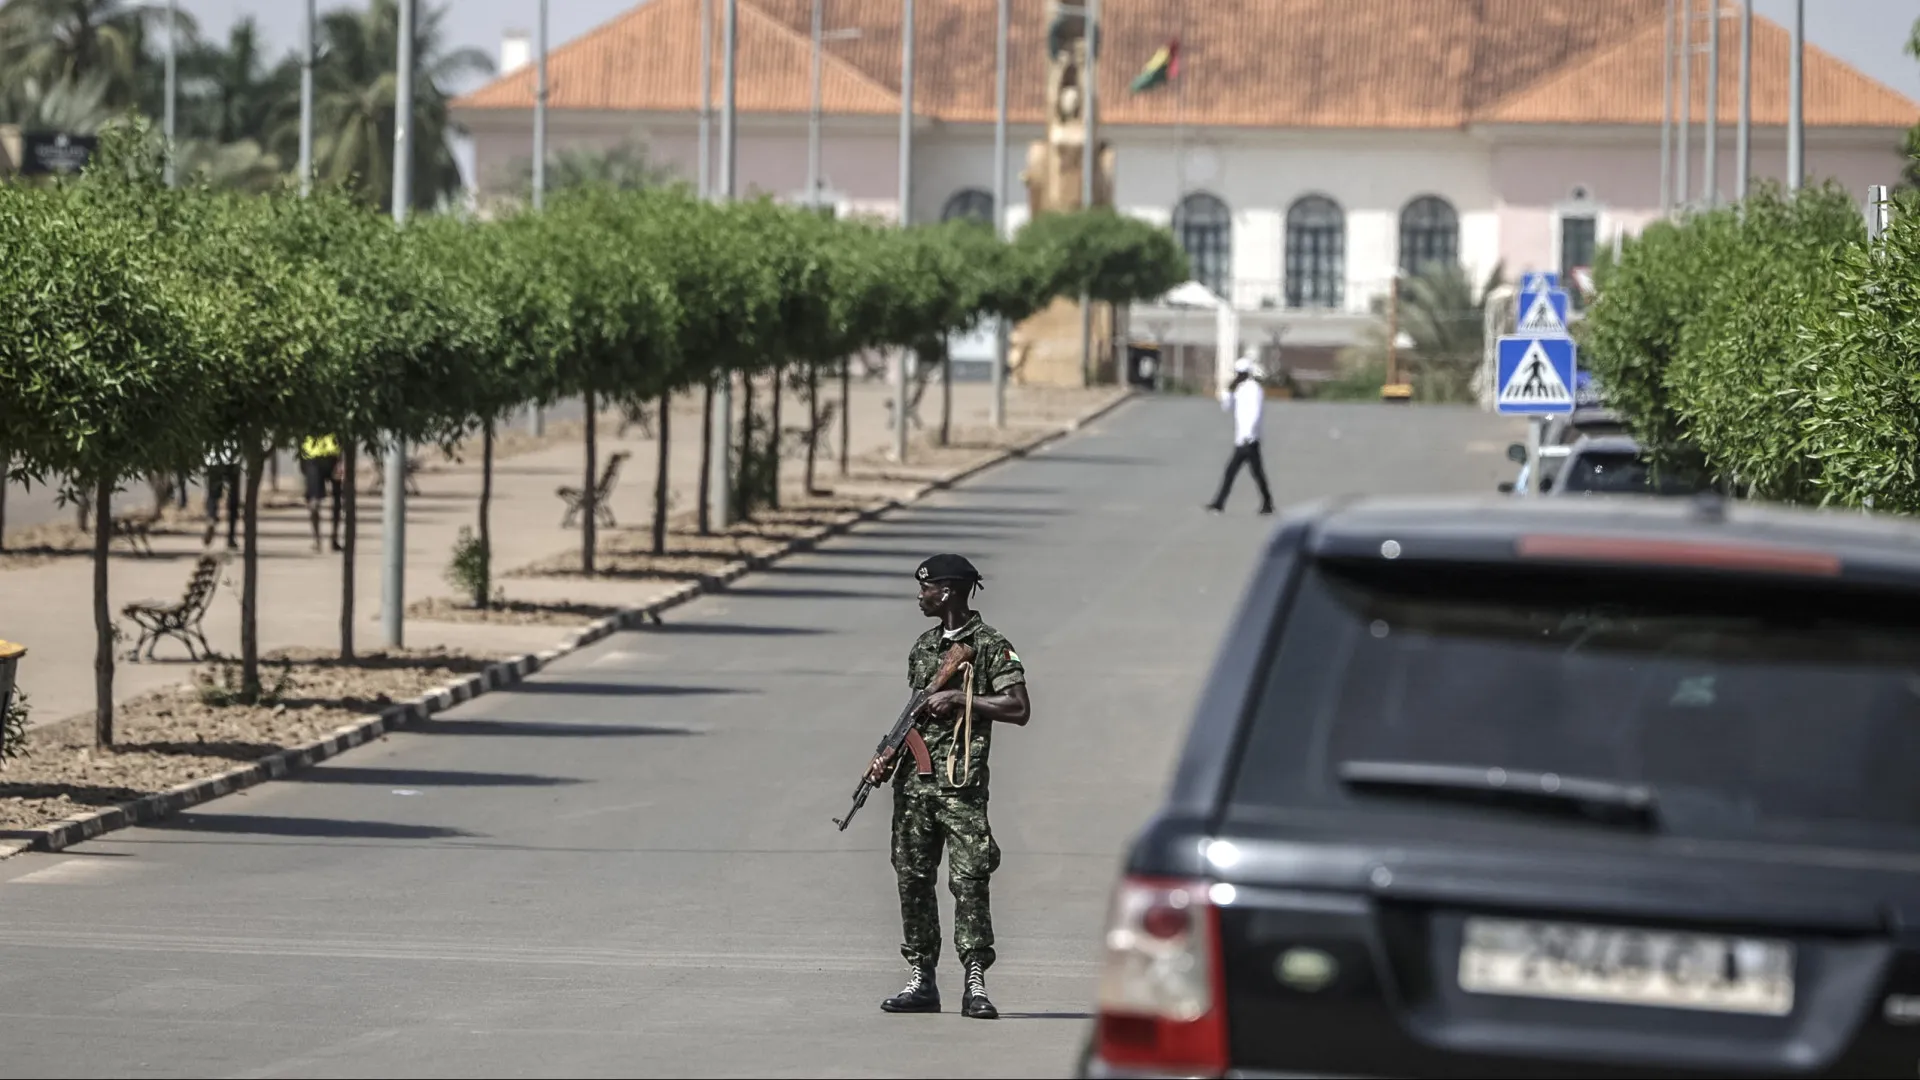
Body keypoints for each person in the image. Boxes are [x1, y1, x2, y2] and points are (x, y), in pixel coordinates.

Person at [867, 553, 1032, 1020]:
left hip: (961, 786)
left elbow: (1019, 707)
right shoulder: (922, 647)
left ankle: (975, 980)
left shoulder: (990, 644)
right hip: (915, 787)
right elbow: (914, 716)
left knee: (969, 882)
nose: (920, 596)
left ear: (950, 591)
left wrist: (962, 698)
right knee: (913, 879)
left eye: (927, 588)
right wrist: (886, 757)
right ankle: (921, 978)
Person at [1205, 354, 1275, 515]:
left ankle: (1219, 504)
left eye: (1240, 373)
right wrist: (1228, 391)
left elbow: (1255, 412)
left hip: (1249, 439)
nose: (1238, 375)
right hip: (1241, 439)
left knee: (1232, 472)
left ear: (1247, 373)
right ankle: (1267, 503)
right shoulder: (1239, 389)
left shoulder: (1254, 389)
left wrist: (1249, 435)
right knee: (1256, 473)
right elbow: (1227, 407)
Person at [299, 434, 344, 553]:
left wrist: (340, 460)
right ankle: (317, 539)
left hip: (332, 455)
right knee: (314, 503)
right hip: (312, 456)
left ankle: (334, 537)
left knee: (337, 500)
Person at [202, 441, 241, 550]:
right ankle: (231, 537)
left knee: (212, 495)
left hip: (213, 457)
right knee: (233, 501)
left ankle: (212, 517)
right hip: (233, 458)